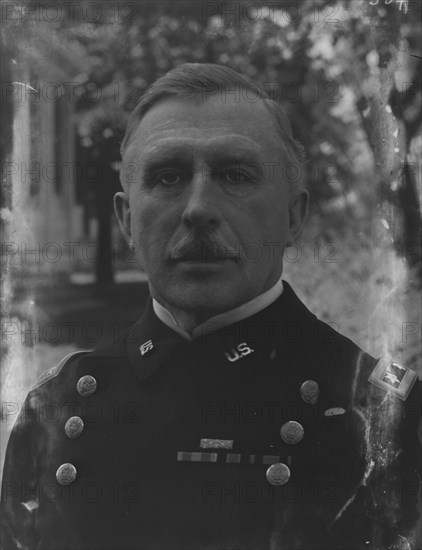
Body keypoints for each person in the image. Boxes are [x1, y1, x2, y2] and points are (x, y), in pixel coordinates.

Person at [1, 63, 420, 550]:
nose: (198, 207)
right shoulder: (56, 411)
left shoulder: (386, 420)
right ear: (127, 219)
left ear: (293, 216)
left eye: (235, 174)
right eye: (167, 176)